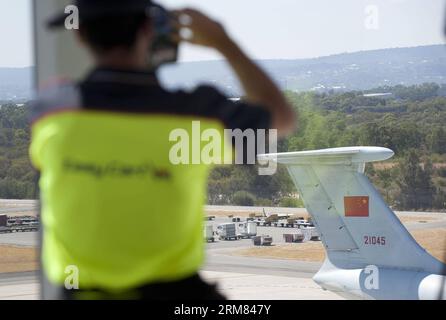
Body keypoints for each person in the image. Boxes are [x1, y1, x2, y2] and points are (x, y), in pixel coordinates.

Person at [30, 0, 296, 300]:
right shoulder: (196, 115)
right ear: (148, 30)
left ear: (79, 35)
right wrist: (224, 43)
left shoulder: (50, 113)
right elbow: (282, 117)